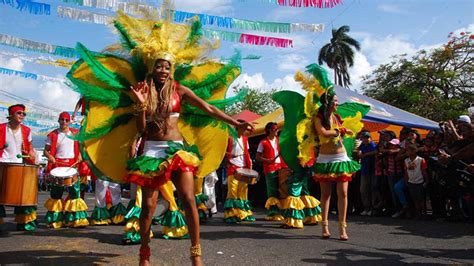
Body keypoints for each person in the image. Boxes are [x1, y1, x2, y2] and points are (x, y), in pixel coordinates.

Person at [312, 92, 360, 241]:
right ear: (328, 103)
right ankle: (325, 226)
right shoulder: (318, 118)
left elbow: (338, 135)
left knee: (343, 193)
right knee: (326, 194)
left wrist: (344, 133)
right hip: (325, 159)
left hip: (341, 157)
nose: (338, 103)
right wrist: (340, 130)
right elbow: (323, 132)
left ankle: (342, 228)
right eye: (336, 101)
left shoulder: (337, 118)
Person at [43, 111, 89, 228]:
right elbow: (45, 151)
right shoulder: (52, 135)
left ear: (69, 122)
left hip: (72, 166)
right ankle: (56, 220)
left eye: (66, 120)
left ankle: (75, 220)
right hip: (57, 165)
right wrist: (50, 157)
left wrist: (80, 155)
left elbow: (82, 147)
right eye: (62, 120)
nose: (64, 122)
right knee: (56, 193)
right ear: (58, 121)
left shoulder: (75, 133)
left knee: (75, 193)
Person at [0, 104, 37, 231]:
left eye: (23, 114)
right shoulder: (1, 128)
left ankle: (25, 222)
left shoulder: (26, 130)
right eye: (19, 113)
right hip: (2, 164)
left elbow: (30, 146)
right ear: (11, 115)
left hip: (20, 164)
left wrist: (32, 152)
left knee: (24, 194)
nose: (22, 115)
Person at [224, 121, 255, 223]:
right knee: (232, 191)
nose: (245, 130)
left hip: (243, 167)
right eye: (244, 128)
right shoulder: (229, 138)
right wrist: (229, 155)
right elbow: (222, 152)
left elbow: (246, 153)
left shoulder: (245, 139)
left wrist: (249, 164)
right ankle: (231, 214)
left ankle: (242, 213)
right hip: (233, 167)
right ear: (239, 128)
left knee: (243, 191)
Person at [256, 122, 286, 221]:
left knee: (281, 190)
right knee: (272, 191)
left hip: (280, 167)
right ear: (269, 130)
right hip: (270, 168)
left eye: (277, 129)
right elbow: (257, 157)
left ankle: (281, 211)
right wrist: (267, 160)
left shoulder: (279, 141)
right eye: (275, 129)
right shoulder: (263, 142)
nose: (277, 130)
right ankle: (273, 213)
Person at [404, 144, 429, 218]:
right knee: (414, 198)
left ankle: (424, 212)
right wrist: (406, 180)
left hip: (420, 181)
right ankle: (418, 213)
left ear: (413, 151)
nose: (407, 152)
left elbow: (424, 171)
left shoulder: (421, 160)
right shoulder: (406, 160)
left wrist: (426, 180)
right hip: (411, 181)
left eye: (408, 151)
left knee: (421, 198)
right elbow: (406, 171)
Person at [357, 131, 378, 216]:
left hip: (372, 170)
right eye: (364, 138)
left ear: (370, 138)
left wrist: (365, 154)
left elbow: (376, 151)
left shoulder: (372, 144)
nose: (365, 139)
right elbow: (359, 151)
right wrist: (359, 152)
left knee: (372, 189)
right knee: (364, 190)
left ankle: (373, 208)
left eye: (367, 137)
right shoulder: (362, 145)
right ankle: (366, 207)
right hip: (364, 170)